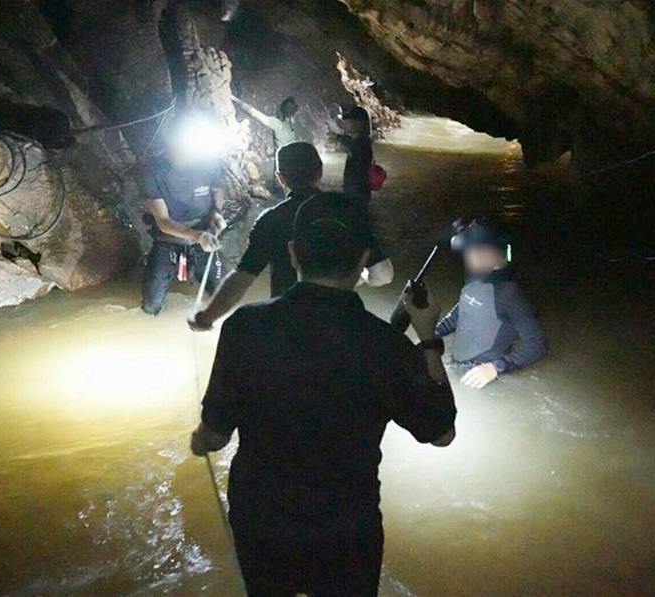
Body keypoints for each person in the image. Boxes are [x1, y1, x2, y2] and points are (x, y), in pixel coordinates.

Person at [190, 192, 457, 596]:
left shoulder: (244, 327)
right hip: (346, 529)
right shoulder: (385, 345)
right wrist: (427, 337)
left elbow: (214, 436)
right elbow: (441, 433)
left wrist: (199, 441)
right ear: (364, 257)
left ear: (294, 253)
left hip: (262, 521)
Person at [189, 142, 393, 330]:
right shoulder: (346, 212)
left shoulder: (271, 220)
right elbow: (384, 276)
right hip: (339, 324)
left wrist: (206, 318)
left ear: (280, 178)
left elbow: (242, 278)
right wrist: (360, 275)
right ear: (320, 170)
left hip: (285, 323)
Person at [435, 218, 547, 389]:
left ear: (493, 252)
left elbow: (537, 343)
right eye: (467, 252)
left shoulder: (509, 294)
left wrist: (496, 367)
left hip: (484, 377)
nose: (468, 257)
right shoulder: (475, 277)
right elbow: (463, 310)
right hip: (458, 366)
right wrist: (434, 333)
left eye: (473, 251)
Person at [140, 120, 227, 315]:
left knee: (224, 295)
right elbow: (162, 221)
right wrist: (197, 236)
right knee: (150, 305)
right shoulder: (152, 172)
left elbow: (217, 190)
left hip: (205, 237)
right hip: (168, 240)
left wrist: (216, 213)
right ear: (169, 146)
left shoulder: (208, 162)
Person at [232, 95, 309, 151]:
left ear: (282, 111)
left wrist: (235, 99)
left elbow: (254, 113)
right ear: (295, 113)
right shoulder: (300, 130)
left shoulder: (278, 125)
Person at [335, 106, 374, 203]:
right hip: (358, 188)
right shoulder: (362, 140)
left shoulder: (361, 143)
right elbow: (351, 143)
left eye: (348, 121)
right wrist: (338, 137)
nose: (345, 124)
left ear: (359, 123)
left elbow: (354, 146)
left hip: (357, 189)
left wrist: (338, 138)